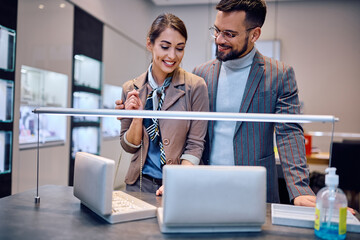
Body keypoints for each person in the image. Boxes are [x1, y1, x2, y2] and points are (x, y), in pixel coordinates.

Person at [192, 0, 316, 206]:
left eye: (229, 34)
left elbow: (289, 132)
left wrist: (300, 189)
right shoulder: (201, 74)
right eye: (216, 30)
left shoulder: (279, 74)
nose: (219, 39)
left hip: (254, 187)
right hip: (205, 184)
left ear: (255, 34)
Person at [117, 13, 209, 196]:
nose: (172, 56)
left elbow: (195, 145)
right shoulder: (131, 88)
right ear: (150, 44)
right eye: (165, 47)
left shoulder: (196, 87)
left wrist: (176, 181)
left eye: (179, 48)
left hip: (180, 184)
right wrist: (137, 118)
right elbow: (129, 147)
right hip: (139, 184)